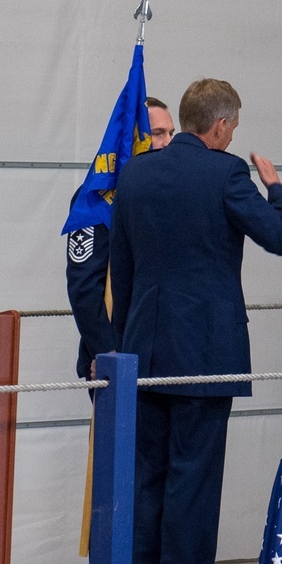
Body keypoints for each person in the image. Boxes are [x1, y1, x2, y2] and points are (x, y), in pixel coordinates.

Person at [110, 78, 282, 564]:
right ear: (220, 126)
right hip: (204, 355)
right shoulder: (226, 173)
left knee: (148, 486)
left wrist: (126, 342)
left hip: (143, 349)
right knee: (191, 488)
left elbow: (122, 268)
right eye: (233, 128)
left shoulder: (136, 172)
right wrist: (278, 188)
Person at [66, 97, 175, 381]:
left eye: (171, 133)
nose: (167, 142)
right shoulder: (95, 200)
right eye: (158, 134)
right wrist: (107, 352)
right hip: (115, 355)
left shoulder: (169, 195)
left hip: (163, 355)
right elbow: (84, 287)